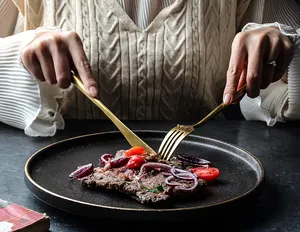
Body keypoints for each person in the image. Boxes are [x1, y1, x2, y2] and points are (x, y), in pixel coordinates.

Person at [0, 0, 299, 136]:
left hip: (205, 205)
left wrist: (286, 49)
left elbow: (281, 95)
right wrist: (23, 50)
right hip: (60, 202)